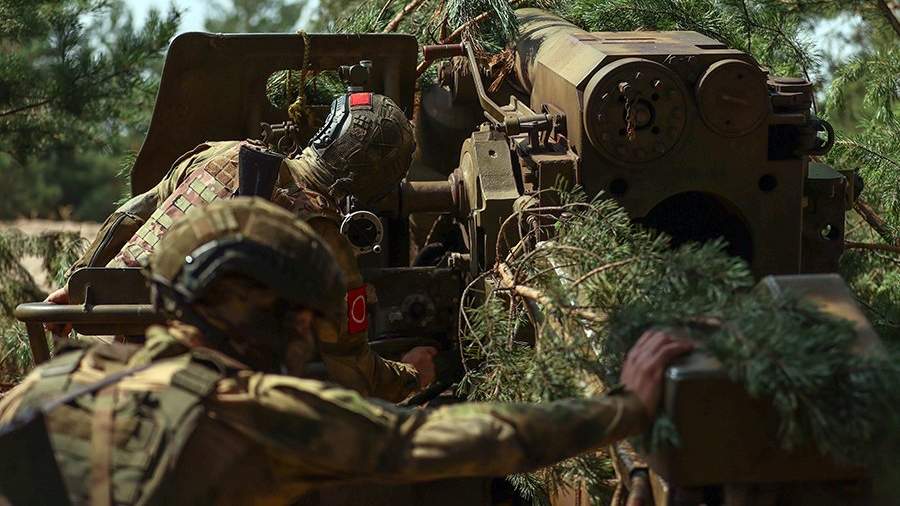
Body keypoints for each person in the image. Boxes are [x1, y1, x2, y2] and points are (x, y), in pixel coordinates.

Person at [0, 199, 693, 505]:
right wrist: (626, 408)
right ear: (275, 318)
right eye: (305, 323)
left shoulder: (47, 385)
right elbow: (471, 439)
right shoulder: (255, 413)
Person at [43, 92, 432, 401]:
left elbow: (131, 215)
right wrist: (412, 374)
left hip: (104, 354)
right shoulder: (325, 236)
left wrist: (77, 284)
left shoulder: (223, 152)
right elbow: (353, 372)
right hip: (194, 392)